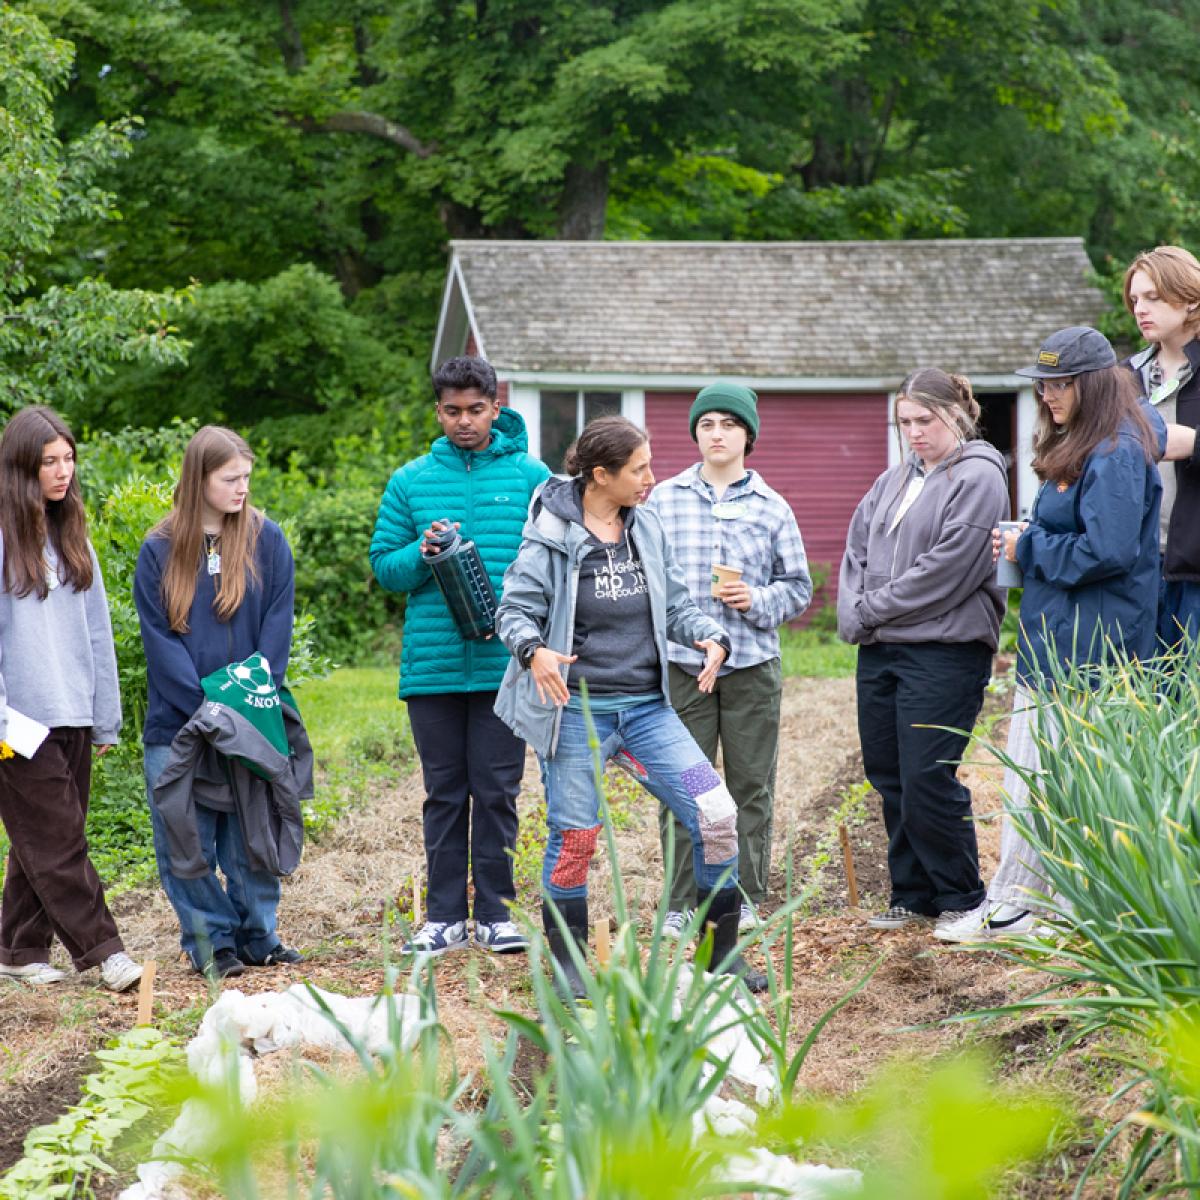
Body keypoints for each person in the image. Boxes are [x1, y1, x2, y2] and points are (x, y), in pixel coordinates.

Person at [495, 414, 767, 996]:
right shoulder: (551, 534)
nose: (650, 478)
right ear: (601, 475)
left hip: (647, 709)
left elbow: (676, 604)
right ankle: (569, 965)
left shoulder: (645, 528)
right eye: (638, 469)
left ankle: (720, 955)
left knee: (716, 815)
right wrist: (534, 651)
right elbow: (512, 611)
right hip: (575, 712)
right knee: (576, 837)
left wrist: (707, 635)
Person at [936, 326, 1163, 943]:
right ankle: (1041, 907)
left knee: (1045, 778)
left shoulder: (1116, 451)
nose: (1049, 395)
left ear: (1091, 383)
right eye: (1043, 383)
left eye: (1060, 383)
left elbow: (1108, 549)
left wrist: (1028, 544)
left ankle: (1021, 907)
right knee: (1039, 777)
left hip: (1093, 646)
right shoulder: (1086, 442)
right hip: (1057, 637)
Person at [370, 355, 550, 956]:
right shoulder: (411, 480)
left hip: (508, 665)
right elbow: (383, 569)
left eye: (476, 409)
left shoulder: (531, 476)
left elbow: (556, 563)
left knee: (498, 791)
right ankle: (444, 916)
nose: (465, 421)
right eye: (453, 411)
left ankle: (498, 913)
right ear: (438, 411)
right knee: (444, 792)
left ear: (496, 408)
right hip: (434, 669)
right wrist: (420, 554)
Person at [838, 368, 1009, 933]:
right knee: (887, 773)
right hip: (882, 649)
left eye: (924, 420)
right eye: (904, 422)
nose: (913, 432)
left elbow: (949, 570)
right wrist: (855, 609)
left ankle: (962, 896)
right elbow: (857, 547)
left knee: (927, 776)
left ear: (956, 415)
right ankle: (912, 895)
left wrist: (872, 609)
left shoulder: (979, 477)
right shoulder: (893, 480)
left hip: (944, 650)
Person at [135, 425, 302, 978]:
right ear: (198, 479)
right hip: (179, 724)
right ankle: (211, 945)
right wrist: (207, 709)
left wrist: (248, 700)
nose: (242, 489)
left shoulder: (266, 539)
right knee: (186, 840)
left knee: (253, 834)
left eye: (247, 478)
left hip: (252, 714)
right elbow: (160, 642)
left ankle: (259, 936)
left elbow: (277, 624)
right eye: (231, 479)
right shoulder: (159, 550)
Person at [645, 382, 811, 937]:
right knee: (682, 788)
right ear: (695, 433)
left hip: (751, 669)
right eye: (707, 424)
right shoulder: (663, 499)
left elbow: (798, 587)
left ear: (748, 436)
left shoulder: (772, 507)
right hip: (682, 666)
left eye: (729, 425)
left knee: (748, 789)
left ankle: (741, 897)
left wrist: (756, 600)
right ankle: (681, 900)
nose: (717, 434)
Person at [0, 406, 142, 991]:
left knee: (44, 840)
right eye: (47, 463)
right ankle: (105, 952)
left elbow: (97, 633)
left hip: (74, 713)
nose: (62, 472)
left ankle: (17, 948)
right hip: (16, 723)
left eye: (67, 460)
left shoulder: (71, 538)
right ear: (20, 471)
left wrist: (104, 717)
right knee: (61, 843)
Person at [1122, 246, 1200, 648]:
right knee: (1140, 706)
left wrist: (1196, 444)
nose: (1140, 309)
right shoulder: (1123, 378)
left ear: (1191, 299)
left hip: (1195, 571)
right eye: (1135, 299)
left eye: (1153, 297)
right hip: (1137, 568)